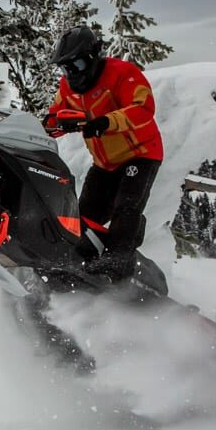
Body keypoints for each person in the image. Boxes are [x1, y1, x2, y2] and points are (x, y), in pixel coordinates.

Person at [43, 25, 163, 281]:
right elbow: (53, 117)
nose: (72, 73)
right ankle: (80, 262)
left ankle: (118, 261)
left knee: (126, 206)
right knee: (81, 217)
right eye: (66, 67)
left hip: (140, 154)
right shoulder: (67, 87)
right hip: (105, 163)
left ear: (93, 56)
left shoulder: (123, 74)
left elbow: (143, 108)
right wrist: (52, 125)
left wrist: (107, 122)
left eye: (76, 65)